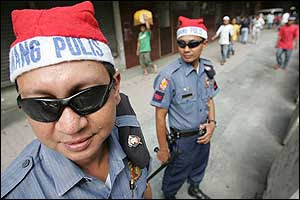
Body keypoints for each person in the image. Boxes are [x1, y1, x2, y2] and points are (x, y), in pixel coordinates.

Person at [1, 1, 152, 199]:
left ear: (115, 87)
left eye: (87, 96)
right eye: (42, 106)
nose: (71, 126)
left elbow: (143, 185)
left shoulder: (127, 127)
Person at [150, 16, 220, 199]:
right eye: (181, 44)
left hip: (204, 133)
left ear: (204, 44)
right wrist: (163, 149)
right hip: (183, 140)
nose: (186, 49)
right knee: (176, 172)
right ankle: (169, 194)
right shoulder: (169, 76)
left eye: (192, 44)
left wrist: (212, 124)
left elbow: (210, 99)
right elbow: (159, 116)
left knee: (199, 164)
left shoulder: (207, 68)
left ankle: (194, 186)